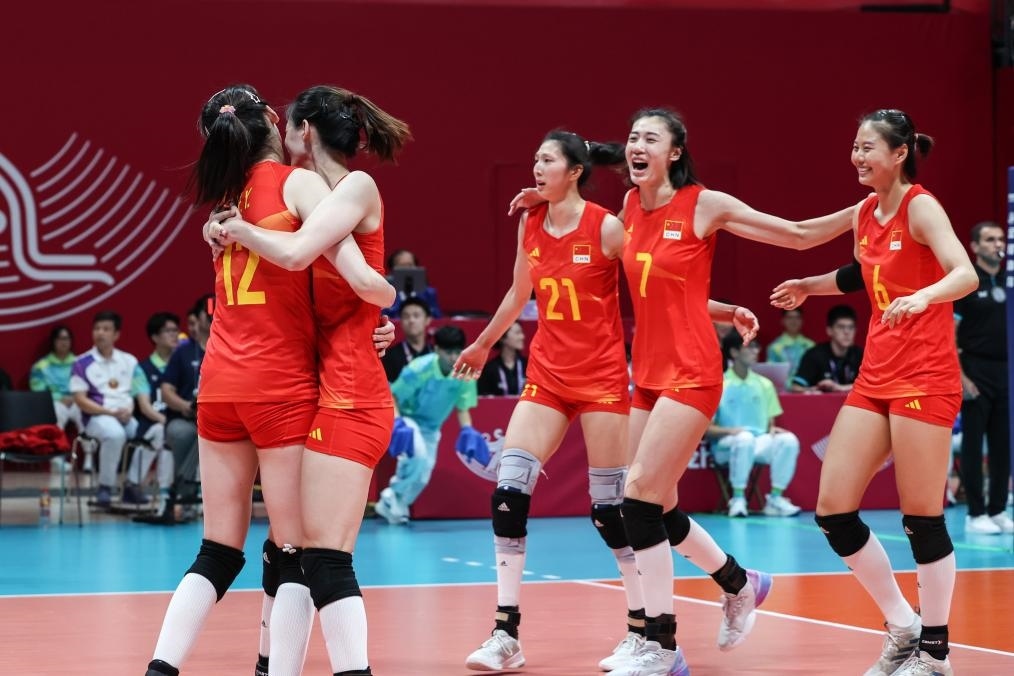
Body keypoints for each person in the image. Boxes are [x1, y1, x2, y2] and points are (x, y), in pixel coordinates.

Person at [511, 109, 850, 674]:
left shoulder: (704, 204)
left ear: (674, 152)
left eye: (651, 138)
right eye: (633, 138)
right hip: (646, 373)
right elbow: (665, 290)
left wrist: (866, 211)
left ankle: (662, 646)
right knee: (658, 506)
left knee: (637, 499)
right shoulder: (628, 208)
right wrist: (549, 198)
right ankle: (739, 583)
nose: (638, 146)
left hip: (692, 371)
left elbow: (796, 235)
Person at [146, 84, 396, 676]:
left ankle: (161, 669)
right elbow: (319, 261)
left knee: (217, 550)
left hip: (218, 385)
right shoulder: (297, 184)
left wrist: (370, 315)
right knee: (297, 552)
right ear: (268, 121)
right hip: (281, 385)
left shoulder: (224, 201)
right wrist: (382, 300)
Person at [770, 108, 978, 676]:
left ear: (899, 153)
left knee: (922, 519)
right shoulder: (865, 211)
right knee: (833, 511)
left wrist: (924, 296)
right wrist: (807, 286)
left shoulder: (921, 207)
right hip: (876, 376)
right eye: (855, 146)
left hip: (925, 377)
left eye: (867, 147)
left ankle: (935, 652)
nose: (857, 157)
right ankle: (903, 624)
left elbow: (965, 273)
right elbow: (832, 255)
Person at [454, 130, 648, 672]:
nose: (536, 168)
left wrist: (714, 315)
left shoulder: (606, 226)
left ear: (575, 171)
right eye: (535, 159)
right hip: (548, 376)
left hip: (603, 378)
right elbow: (519, 292)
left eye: (547, 160)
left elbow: (656, 284)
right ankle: (505, 634)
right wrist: (483, 343)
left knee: (610, 512)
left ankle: (643, 628)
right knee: (508, 493)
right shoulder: (531, 221)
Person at [376, 325, 478, 525]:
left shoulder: (465, 372)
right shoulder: (419, 368)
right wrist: (398, 423)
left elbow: (462, 406)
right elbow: (392, 395)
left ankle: (395, 504)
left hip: (431, 428)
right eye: (448, 352)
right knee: (418, 456)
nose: (453, 357)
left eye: (457, 352)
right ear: (437, 349)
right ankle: (390, 495)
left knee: (423, 476)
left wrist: (467, 429)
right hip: (407, 419)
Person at [954, 221, 1011, 534]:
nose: (997, 244)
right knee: (974, 445)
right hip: (975, 371)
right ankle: (975, 513)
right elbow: (949, 334)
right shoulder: (967, 281)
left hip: (1006, 373)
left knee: (1003, 444)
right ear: (975, 247)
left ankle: (998, 509)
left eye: (1000, 239)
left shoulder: (1008, 281)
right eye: (989, 239)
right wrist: (961, 377)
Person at [709, 331, 802, 518]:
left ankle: (775, 499)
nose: (755, 351)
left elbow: (769, 424)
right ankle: (738, 499)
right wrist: (731, 431)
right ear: (734, 352)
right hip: (725, 446)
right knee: (745, 438)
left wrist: (772, 430)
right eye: (749, 346)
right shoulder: (719, 384)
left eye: (756, 346)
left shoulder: (765, 384)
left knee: (788, 440)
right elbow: (706, 429)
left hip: (758, 443)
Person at [69, 311, 147, 507]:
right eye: (96, 329)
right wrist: (109, 413)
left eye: (106, 329)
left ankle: (131, 485)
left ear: (116, 334)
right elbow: (80, 400)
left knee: (152, 433)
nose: (100, 333)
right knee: (115, 434)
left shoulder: (130, 361)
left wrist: (129, 410)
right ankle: (105, 487)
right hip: (95, 417)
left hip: (124, 415)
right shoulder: (81, 363)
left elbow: (137, 392)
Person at [160, 296, 212, 513]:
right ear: (198, 318)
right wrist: (186, 406)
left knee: (214, 433)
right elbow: (166, 391)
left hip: (217, 417)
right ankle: (187, 493)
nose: (212, 316)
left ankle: (182, 491)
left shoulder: (229, 348)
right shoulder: (182, 351)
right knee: (184, 434)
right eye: (207, 312)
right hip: (185, 418)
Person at [122, 312, 179, 506]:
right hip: (151, 423)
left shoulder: (181, 364)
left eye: (175, 330)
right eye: (168, 331)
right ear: (155, 337)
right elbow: (145, 407)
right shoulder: (142, 368)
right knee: (163, 432)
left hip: (178, 422)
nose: (174, 334)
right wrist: (167, 421)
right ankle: (137, 485)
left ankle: (190, 488)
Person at [790, 304, 864, 393]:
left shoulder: (861, 355)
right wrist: (811, 390)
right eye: (841, 327)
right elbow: (795, 387)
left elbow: (871, 387)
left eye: (851, 327)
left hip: (852, 402)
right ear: (829, 330)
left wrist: (839, 388)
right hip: (820, 402)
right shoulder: (814, 355)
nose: (847, 332)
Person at [30, 324, 83, 433]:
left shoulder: (79, 363)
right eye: (60, 339)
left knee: (88, 416)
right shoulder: (41, 366)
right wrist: (58, 398)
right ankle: (58, 443)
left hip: (77, 401)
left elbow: (88, 387)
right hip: (55, 402)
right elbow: (38, 393)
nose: (63, 342)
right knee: (56, 417)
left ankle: (88, 443)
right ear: (53, 341)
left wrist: (75, 398)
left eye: (66, 339)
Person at [382, 297, 433, 382]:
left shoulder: (435, 353)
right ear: (401, 321)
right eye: (406, 316)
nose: (411, 320)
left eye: (416, 315)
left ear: (428, 320)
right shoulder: (389, 356)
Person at [383, 248, 443, 318]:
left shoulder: (429, 293)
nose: (407, 269)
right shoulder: (386, 294)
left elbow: (437, 318)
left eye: (410, 265)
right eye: (402, 266)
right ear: (392, 270)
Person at [765, 308, 815, 386]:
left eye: (797, 318)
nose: (794, 321)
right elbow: (772, 374)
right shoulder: (775, 347)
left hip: (807, 388)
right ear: (783, 320)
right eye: (790, 317)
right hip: (783, 390)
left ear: (802, 321)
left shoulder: (810, 346)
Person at [476, 321, 527, 396]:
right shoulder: (489, 370)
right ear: (502, 337)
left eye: (521, 332)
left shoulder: (528, 366)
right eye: (517, 333)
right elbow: (483, 397)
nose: (522, 337)